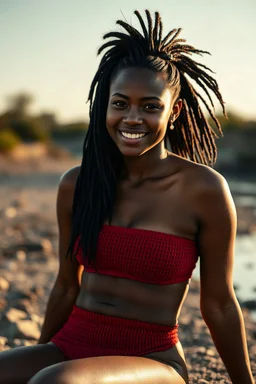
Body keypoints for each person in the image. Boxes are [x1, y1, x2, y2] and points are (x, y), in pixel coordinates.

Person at [0, 9, 254, 384]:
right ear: (106, 104)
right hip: (71, 348)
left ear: (174, 110)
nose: (132, 118)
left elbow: (218, 304)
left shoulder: (204, 191)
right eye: (120, 103)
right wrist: (41, 358)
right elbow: (67, 285)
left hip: (152, 359)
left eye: (150, 107)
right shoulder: (77, 184)